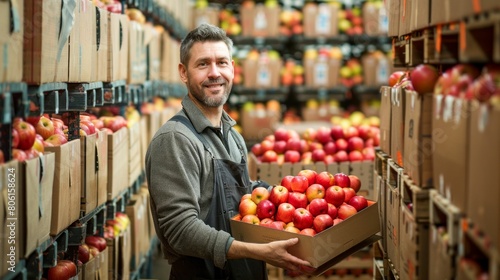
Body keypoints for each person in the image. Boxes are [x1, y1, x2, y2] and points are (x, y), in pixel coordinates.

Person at [145, 23, 313, 279]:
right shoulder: (175, 140)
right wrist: (258, 251)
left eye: (222, 63)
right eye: (203, 64)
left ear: (233, 68)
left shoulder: (232, 135)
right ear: (183, 72)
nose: (215, 73)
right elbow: (180, 230)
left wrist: (293, 197)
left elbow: (237, 195)